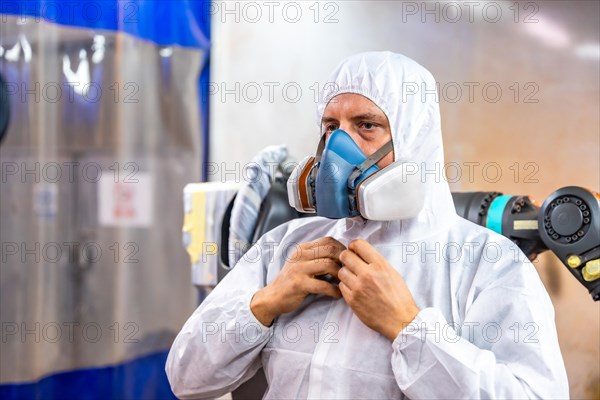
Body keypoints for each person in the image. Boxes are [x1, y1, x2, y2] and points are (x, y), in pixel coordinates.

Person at [166, 51, 569, 399]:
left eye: (366, 125)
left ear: (414, 139)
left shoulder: (489, 264)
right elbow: (186, 378)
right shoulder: (286, 247)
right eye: (330, 127)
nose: (337, 149)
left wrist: (409, 329)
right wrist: (265, 304)